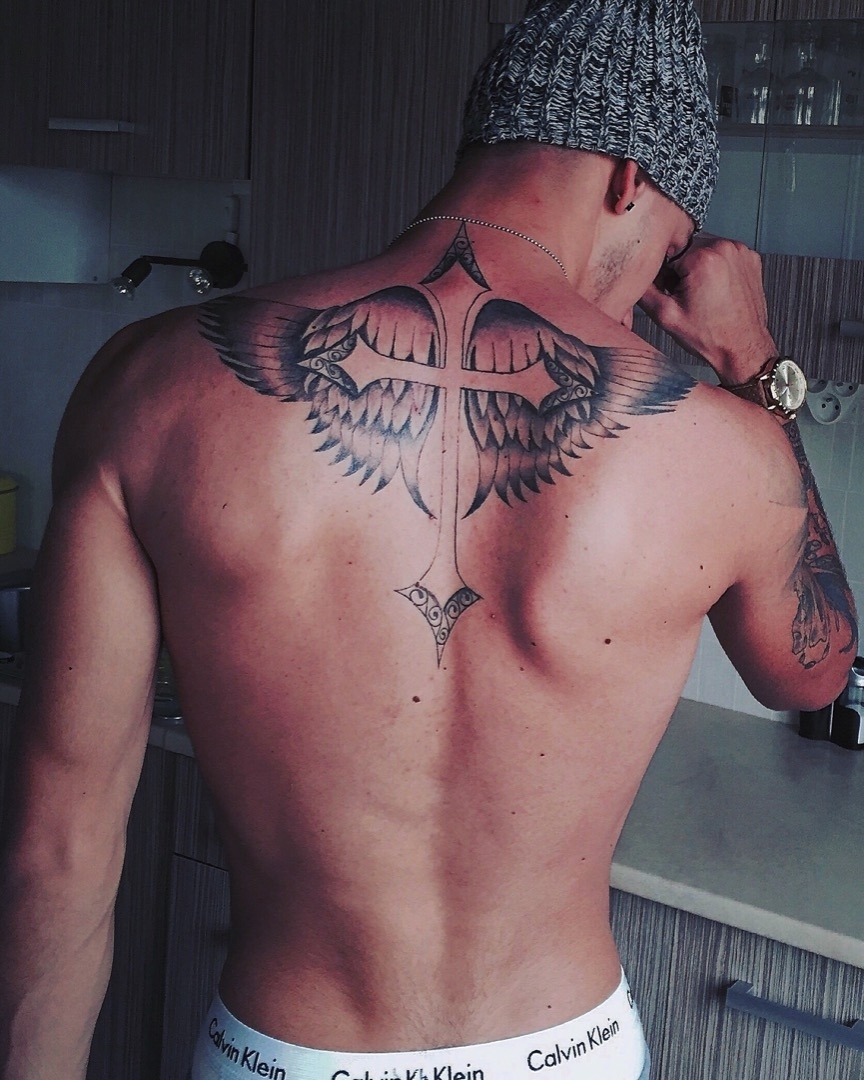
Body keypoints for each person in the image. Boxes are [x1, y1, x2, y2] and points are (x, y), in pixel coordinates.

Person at [0, 1, 857, 1077]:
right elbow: (814, 671)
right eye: (668, 253)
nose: (650, 295)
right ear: (630, 180)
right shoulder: (725, 448)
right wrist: (760, 366)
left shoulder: (153, 385)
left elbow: (56, 847)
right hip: (567, 1053)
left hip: (283, 1055)